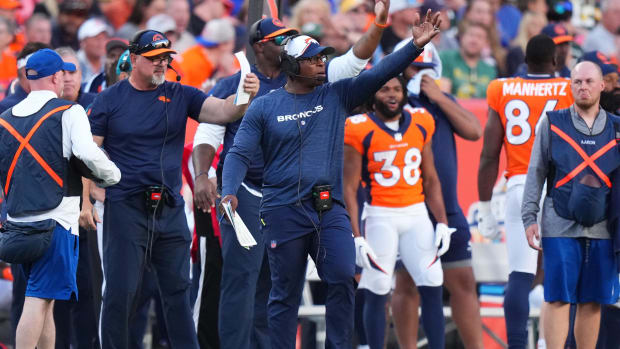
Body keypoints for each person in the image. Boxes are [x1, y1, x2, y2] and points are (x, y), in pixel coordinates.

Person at [220, 11, 441, 349]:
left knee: (341, 276)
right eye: (312, 60)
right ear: (292, 66)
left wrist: (413, 46)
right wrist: (230, 191)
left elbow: (380, 71)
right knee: (285, 293)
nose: (322, 64)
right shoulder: (264, 107)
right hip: (281, 211)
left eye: (323, 58)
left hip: (328, 209)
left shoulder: (336, 95)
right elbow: (237, 154)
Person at [192, 2, 398, 347]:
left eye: (289, 36)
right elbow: (215, 138)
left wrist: (391, 31)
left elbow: (360, 63)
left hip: (310, 200)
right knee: (247, 283)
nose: (286, 42)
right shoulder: (237, 86)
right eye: (279, 39)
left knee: (305, 281)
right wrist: (212, 179)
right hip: (256, 195)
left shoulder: (328, 87)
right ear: (260, 46)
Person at [86, 29, 259, 349]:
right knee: (121, 292)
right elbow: (89, 153)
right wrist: (91, 195)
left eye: (166, 58)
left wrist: (245, 95)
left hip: (169, 207)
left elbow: (224, 111)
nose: (161, 64)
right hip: (126, 207)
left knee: (178, 292)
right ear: (134, 59)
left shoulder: (181, 94)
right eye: (153, 59)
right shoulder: (108, 99)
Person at [0, 48, 120, 349]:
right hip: (56, 223)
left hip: (17, 223)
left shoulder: (4, 119)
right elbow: (87, 153)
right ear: (57, 76)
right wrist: (113, 176)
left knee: (46, 301)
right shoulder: (70, 111)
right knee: (38, 299)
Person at [477, 34, 574, 349]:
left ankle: (518, 345)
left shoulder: (502, 88)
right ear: (555, 61)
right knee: (560, 275)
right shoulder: (568, 89)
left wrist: (486, 207)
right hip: (558, 188)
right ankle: (550, 343)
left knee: (519, 274)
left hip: (519, 186)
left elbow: (490, 154)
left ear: (524, 62)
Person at [343, 76, 452, 349]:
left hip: (416, 214)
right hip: (381, 215)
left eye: (396, 89)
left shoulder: (421, 120)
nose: (391, 95)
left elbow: (430, 178)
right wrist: (356, 235)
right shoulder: (358, 127)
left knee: (432, 282)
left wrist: (441, 221)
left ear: (404, 93)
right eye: (384, 89)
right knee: (378, 287)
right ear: (373, 94)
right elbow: (349, 187)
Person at [391, 42, 484, 349]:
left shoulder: (442, 103)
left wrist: (439, 97)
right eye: (416, 69)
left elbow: (473, 130)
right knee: (406, 285)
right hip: (406, 205)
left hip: (449, 208)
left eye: (428, 70)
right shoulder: (390, 102)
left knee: (464, 283)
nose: (422, 76)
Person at [522, 61, 620, 349]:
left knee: (592, 300)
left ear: (603, 85)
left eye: (589, 81)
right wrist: (529, 218)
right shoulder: (552, 122)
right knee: (557, 296)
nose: (583, 87)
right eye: (577, 82)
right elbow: (536, 172)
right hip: (559, 223)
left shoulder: (617, 127)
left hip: (603, 226)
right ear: (570, 86)